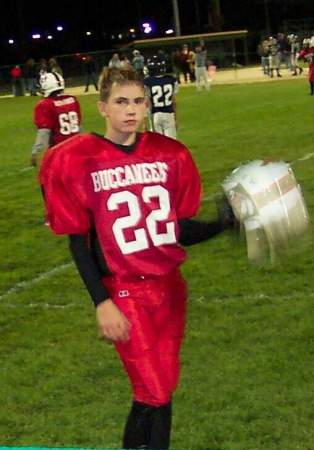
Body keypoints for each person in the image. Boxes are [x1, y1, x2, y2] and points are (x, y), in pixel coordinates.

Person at [39, 67, 235, 450]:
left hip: (170, 289)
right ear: (102, 108)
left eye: (138, 101)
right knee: (156, 391)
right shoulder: (77, 159)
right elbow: (78, 241)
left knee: (156, 391)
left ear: (147, 105)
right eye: (121, 101)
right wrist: (102, 302)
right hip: (126, 293)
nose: (131, 110)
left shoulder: (170, 154)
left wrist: (224, 223)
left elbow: (176, 231)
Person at [31, 72, 81, 167]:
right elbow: (79, 126)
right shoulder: (72, 100)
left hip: (60, 150)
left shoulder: (45, 105)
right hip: (77, 148)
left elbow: (44, 132)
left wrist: (36, 151)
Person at [144, 55, 179, 138]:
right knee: (171, 143)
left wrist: (145, 123)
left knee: (157, 144)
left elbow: (147, 104)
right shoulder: (171, 80)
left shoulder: (147, 82)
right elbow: (174, 101)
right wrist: (176, 118)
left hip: (155, 114)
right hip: (169, 114)